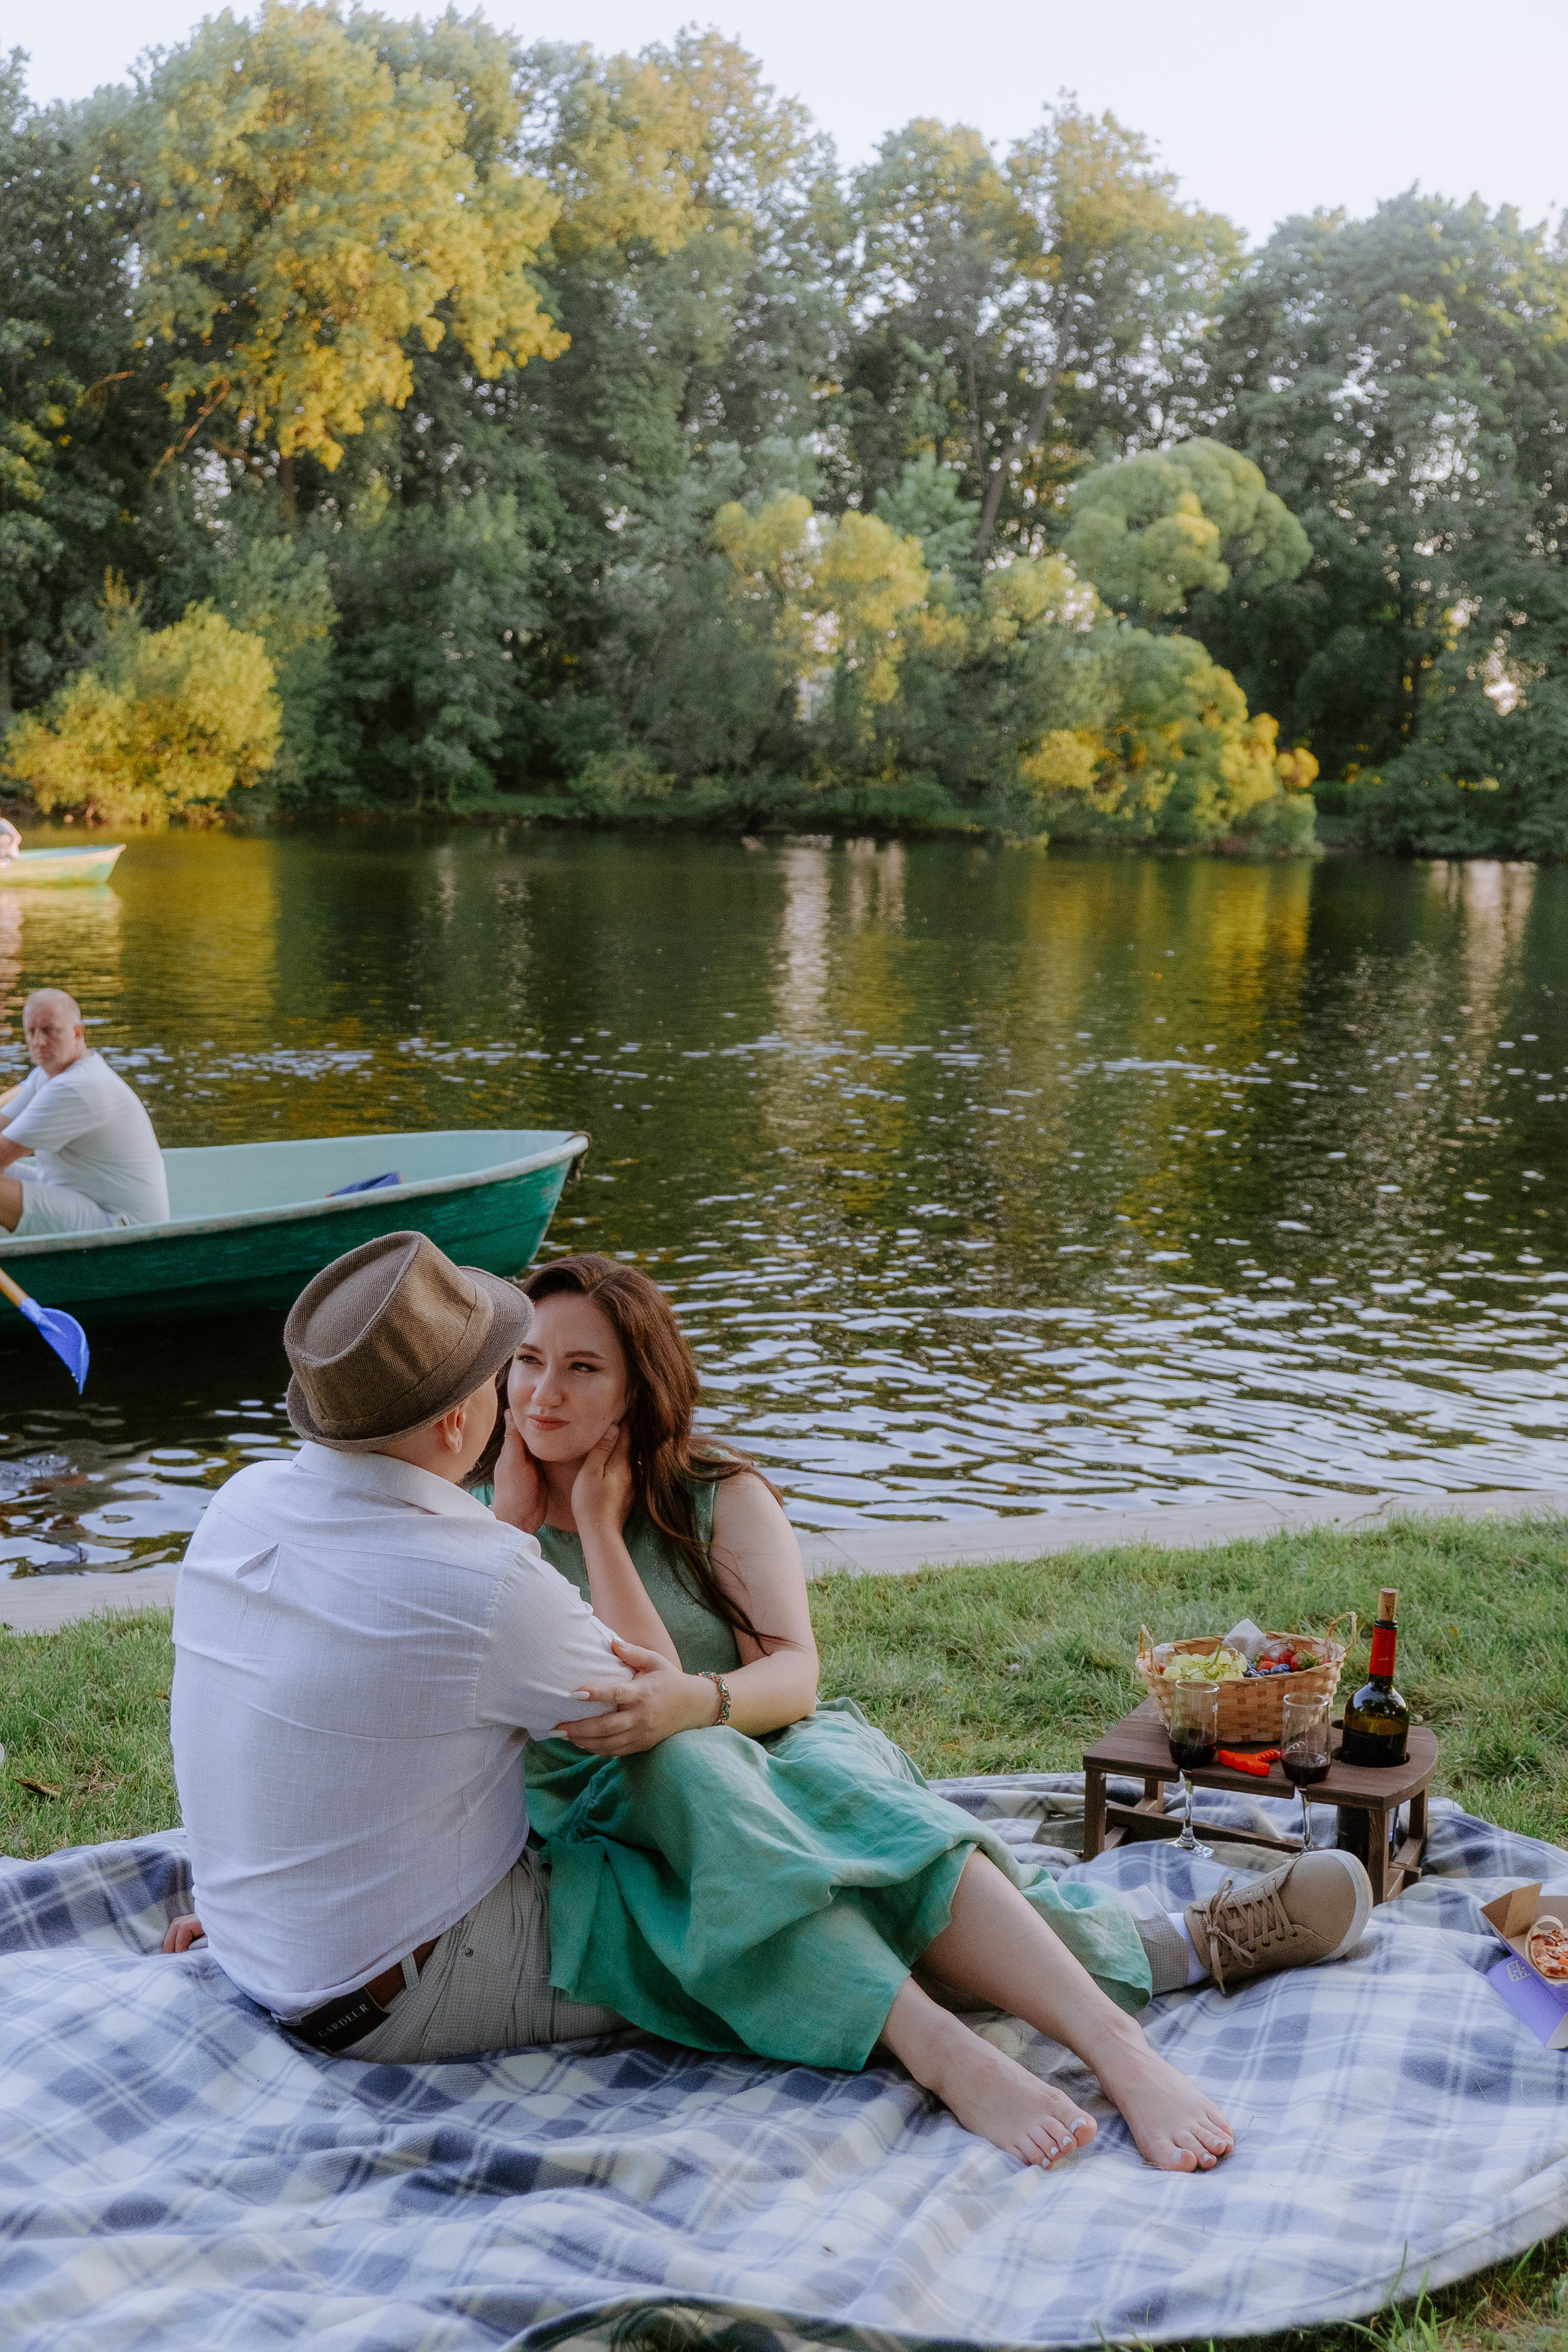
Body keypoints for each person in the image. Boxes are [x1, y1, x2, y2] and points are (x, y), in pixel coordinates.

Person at [453, 1255, 1372, 2171]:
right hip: (614, 1806)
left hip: (773, 1745)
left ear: (638, 1388)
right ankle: (1031, 2017)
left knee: (832, 1789)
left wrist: (626, 1567)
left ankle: (1119, 2046)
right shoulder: (477, 1517)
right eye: (527, 1362)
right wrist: (525, 1532)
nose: (542, 1393)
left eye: (582, 1367)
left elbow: (792, 1677)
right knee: (684, 1766)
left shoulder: (718, 1493)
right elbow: (621, 1695)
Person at [0, 988, 170, 1235]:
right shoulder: (46, 1075)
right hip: (78, 1195)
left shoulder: (76, 1087)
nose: (38, 1042)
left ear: (78, 1033)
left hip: (123, 1225)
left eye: (49, 1030)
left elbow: (2, 1153)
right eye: (31, 1031)